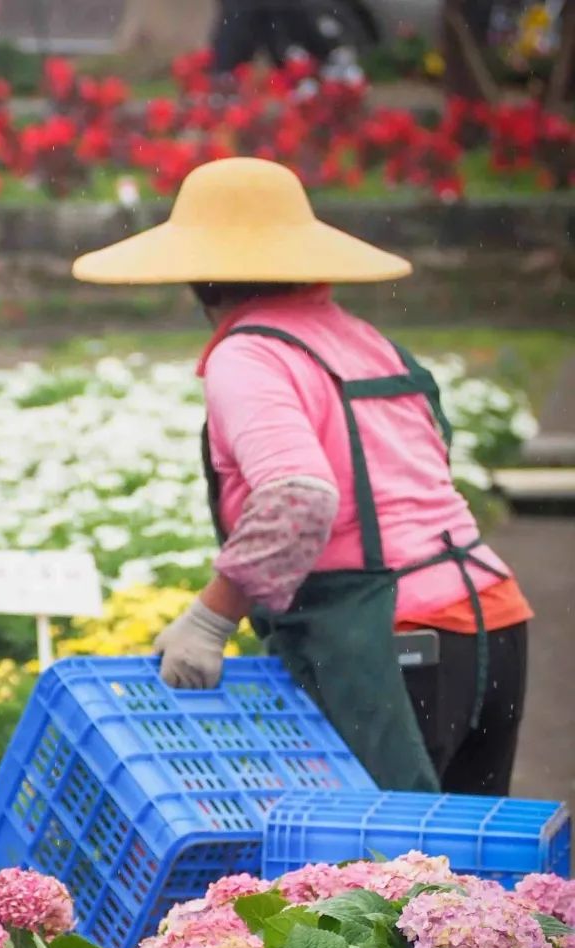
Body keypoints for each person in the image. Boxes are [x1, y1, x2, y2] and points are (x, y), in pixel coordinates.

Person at [72, 158, 532, 796]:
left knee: (381, 875)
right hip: (491, 622)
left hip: (393, 639)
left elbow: (299, 497)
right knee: (466, 878)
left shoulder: (249, 354)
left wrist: (213, 617)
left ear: (198, 277)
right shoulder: (362, 339)